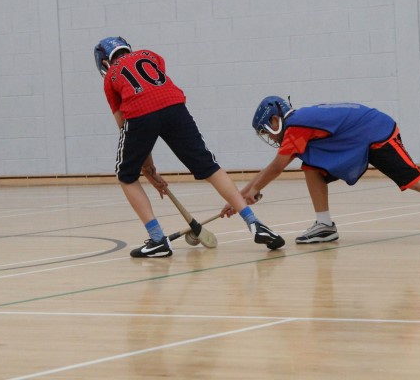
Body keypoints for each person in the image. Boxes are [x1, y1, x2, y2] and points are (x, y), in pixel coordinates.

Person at [93, 36, 285, 258]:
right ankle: (255, 223)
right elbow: (155, 92)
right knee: (209, 166)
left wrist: (147, 168)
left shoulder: (110, 77)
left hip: (139, 113)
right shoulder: (150, 55)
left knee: (126, 175)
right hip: (175, 107)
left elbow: (125, 125)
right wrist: (151, 169)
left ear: (104, 61)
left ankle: (158, 240)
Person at [224, 96, 420, 245]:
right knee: (311, 166)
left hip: (377, 134)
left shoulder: (296, 127)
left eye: (267, 131)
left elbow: (276, 167)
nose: (270, 137)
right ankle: (324, 225)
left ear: (275, 119)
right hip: (358, 137)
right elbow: (274, 167)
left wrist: (246, 194)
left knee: (414, 179)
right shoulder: (300, 122)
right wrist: (241, 196)